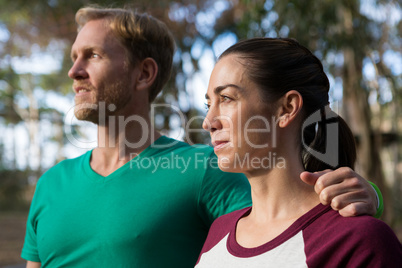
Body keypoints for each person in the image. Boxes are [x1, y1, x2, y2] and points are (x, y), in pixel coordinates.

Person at [21, 7, 383, 268]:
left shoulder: (201, 170)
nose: (73, 71)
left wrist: (364, 194)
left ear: (144, 72)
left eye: (93, 55)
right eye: (73, 57)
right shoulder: (51, 184)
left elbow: (288, 215)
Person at [196, 38, 401, 267]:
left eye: (226, 98)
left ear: (287, 109)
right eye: (208, 105)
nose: (208, 122)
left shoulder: (358, 240)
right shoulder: (218, 231)